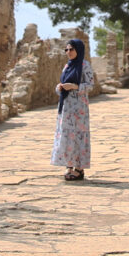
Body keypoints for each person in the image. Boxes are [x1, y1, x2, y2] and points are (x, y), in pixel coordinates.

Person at [51, 38, 94, 181]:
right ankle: (69, 165)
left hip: (79, 108)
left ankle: (79, 168)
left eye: (71, 49)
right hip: (66, 108)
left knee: (79, 136)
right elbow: (62, 86)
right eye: (66, 50)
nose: (68, 52)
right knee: (67, 135)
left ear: (79, 50)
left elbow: (90, 85)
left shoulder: (84, 65)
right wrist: (60, 88)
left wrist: (76, 87)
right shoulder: (67, 66)